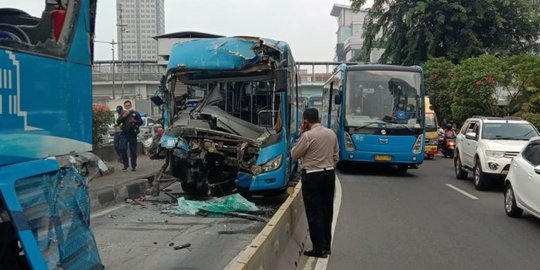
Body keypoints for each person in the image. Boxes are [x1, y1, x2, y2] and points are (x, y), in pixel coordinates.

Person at [291, 108, 339, 258]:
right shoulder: (331, 133)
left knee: (314, 213)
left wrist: (301, 134)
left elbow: (294, 154)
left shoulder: (307, 136)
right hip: (329, 174)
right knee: (326, 211)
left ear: (306, 121)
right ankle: (326, 246)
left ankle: (318, 249)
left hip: (312, 176)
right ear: (318, 119)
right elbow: (336, 156)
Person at [116, 100, 143, 171]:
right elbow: (118, 121)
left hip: (133, 134)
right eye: (126, 106)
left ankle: (133, 166)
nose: (127, 107)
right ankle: (125, 164)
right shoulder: (123, 113)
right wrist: (123, 116)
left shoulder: (136, 113)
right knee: (122, 148)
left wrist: (135, 121)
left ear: (131, 105)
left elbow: (141, 122)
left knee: (133, 151)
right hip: (124, 133)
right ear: (124, 106)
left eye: (128, 105)